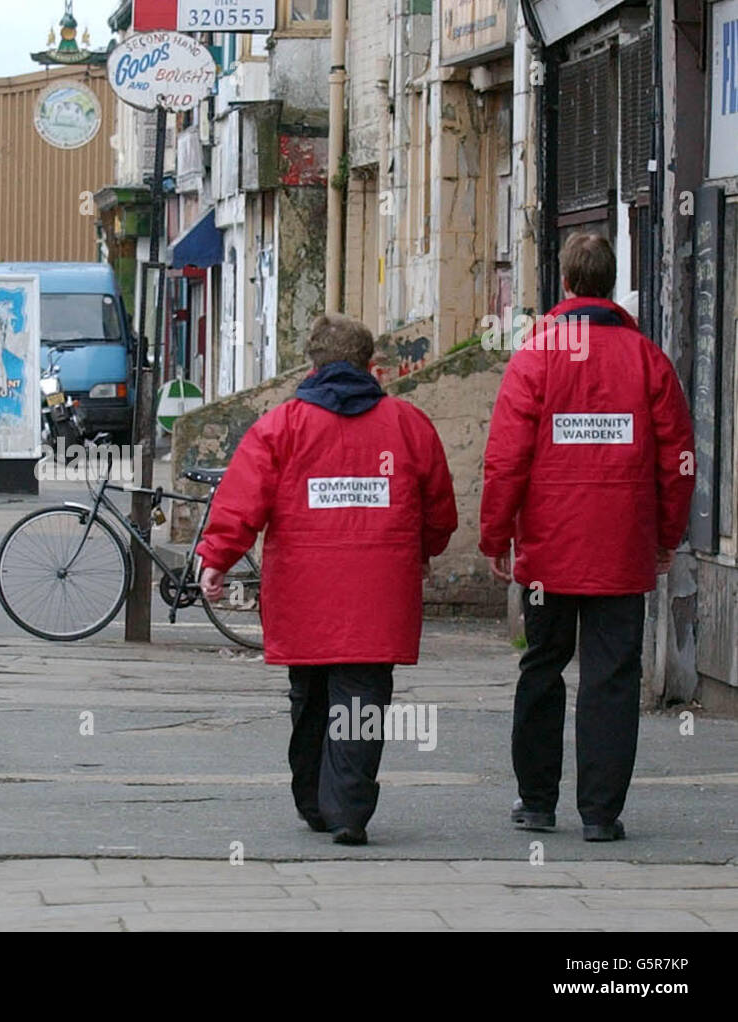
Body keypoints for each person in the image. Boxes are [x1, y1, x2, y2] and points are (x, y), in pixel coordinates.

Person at [197, 315, 458, 845]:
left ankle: (314, 800)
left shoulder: (280, 427)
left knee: (309, 693)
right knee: (362, 697)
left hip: (303, 589)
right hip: (379, 590)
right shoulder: (408, 424)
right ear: (370, 365)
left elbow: (242, 500)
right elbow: (439, 509)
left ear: (312, 364)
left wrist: (215, 559)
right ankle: (349, 811)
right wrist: (424, 550)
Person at [480, 232, 695, 842]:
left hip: (549, 552)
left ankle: (537, 802)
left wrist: (498, 534)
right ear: (610, 283)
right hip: (622, 548)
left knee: (543, 667)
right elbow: (678, 458)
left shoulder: (537, 354)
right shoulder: (648, 360)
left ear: (567, 285)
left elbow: (506, 459)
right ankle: (600, 813)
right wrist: (666, 535)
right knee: (612, 676)